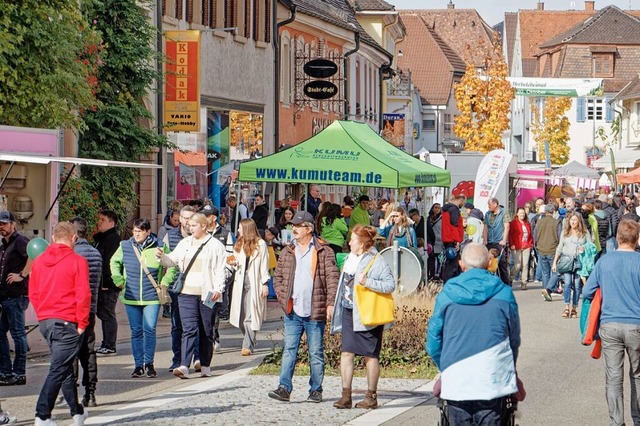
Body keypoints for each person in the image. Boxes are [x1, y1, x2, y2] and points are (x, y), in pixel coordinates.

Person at [426, 242, 520, 425]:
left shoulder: (447, 294)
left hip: (456, 373)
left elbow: (433, 340)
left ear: (461, 265)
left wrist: (444, 365)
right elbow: (513, 340)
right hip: (492, 374)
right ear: (488, 264)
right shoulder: (505, 294)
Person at [268, 211, 339, 403]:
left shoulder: (324, 251)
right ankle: (284, 388)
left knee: (315, 351)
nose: (294, 229)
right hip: (293, 310)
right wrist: (284, 298)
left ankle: (316, 389)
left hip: (315, 309)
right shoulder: (287, 251)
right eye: (293, 226)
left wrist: (330, 303)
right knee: (289, 349)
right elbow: (279, 278)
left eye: (298, 226)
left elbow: (333, 279)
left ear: (309, 228)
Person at [29, 222, 91, 426]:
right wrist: (82, 322)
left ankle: (77, 411)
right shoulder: (77, 261)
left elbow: (34, 293)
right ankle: (42, 414)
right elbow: (83, 294)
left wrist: (42, 315)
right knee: (59, 368)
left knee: (64, 367)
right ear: (74, 238)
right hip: (67, 320)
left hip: (47, 320)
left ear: (53, 238)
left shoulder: (38, 262)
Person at [330, 224, 395, 410]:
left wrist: (368, 282)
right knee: (346, 352)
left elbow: (390, 285)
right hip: (349, 311)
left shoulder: (377, 260)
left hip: (367, 313)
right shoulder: (351, 258)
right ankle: (345, 395)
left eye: (353, 240)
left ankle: (371, 396)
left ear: (362, 244)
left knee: (370, 356)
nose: (349, 242)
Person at [583, 220, 640, 426]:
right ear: (637, 239)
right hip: (636, 324)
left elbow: (587, 291)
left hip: (610, 324)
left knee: (614, 378)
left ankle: (617, 422)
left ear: (617, 237)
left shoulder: (604, 262)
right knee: (638, 376)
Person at [157, 213, 227, 379]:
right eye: (189, 225)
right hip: (186, 293)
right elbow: (171, 261)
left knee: (206, 330)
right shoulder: (185, 243)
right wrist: (161, 257)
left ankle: (205, 365)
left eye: (194, 225)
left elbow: (220, 269)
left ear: (203, 226)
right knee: (188, 329)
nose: (190, 228)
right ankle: (184, 365)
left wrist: (218, 288)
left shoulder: (215, 245)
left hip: (209, 294)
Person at [111, 219, 172, 378]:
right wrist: (118, 279)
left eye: (139, 231)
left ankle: (149, 363)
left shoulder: (160, 246)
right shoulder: (125, 246)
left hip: (151, 296)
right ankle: (138, 365)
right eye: (134, 231)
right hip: (131, 296)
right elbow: (114, 262)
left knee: (149, 329)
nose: (136, 234)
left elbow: (171, 266)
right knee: (136, 331)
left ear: (148, 231)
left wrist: (164, 283)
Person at [69, 217, 102, 408]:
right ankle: (90, 393)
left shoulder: (72, 254)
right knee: (88, 351)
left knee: (71, 352)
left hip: (73, 309)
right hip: (90, 308)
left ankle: (71, 391)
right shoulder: (95, 253)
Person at [162, 206, 198, 372]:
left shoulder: (201, 238)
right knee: (177, 326)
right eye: (184, 217)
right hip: (176, 287)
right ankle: (177, 359)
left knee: (194, 325)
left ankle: (197, 358)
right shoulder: (170, 236)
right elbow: (166, 263)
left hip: (196, 287)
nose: (186, 221)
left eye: (190, 218)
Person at [228, 219, 270, 356]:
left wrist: (264, 284)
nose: (238, 230)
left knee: (250, 316)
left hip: (254, 281)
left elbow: (264, 265)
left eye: (240, 228)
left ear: (246, 229)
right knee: (240, 317)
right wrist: (232, 262)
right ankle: (251, 337)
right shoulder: (239, 243)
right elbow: (233, 259)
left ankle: (247, 345)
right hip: (240, 281)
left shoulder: (261, 244)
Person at [0, 211, 30, 387]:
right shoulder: (4, 243)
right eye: (0, 224)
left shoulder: (20, 241)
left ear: (13, 224)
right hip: (6, 296)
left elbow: (35, 257)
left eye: (4, 223)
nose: (2, 227)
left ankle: (19, 373)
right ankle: (5, 371)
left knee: (18, 334)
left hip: (16, 295)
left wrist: (22, 274)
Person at [203, 204, 235, 349]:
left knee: (212, 310)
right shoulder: (199, 232)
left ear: (214, 218)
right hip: (200, 280)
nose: (203, 218)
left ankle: (213, 336)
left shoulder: (225, 234)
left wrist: (225, 275)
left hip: (215, 281)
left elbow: (230, 257)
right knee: (201, 311)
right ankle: (206, 337)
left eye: (207, 215)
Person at [552, 212, 591, 319]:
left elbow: (591, 246)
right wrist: (555, 262)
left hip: (579, 261)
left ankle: (574, 308)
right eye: (571, 220)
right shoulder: (565, 232)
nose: (573, 222)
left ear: (579, 221)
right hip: (566, 261)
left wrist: (585, 248)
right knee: (568, 283)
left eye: (575, 220)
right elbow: (559, 247)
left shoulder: (584, 232)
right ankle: (566, 307)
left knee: (577, 285)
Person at [94, 210, 121, 357]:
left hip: (108, 284)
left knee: (107, 313)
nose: (99, 222)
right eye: (99, 219)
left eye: (103, 220)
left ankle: (110, 344)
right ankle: (106, 343)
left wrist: (108, 282)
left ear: (112, 223)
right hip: (102, 283)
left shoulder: (112, 239)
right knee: (103, 312)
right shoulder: (103, 238)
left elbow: (110, 263)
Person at [535, 204, 561, 301]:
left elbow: (535, 235)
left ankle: (546, 292)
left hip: (541, 249)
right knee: (556, 271)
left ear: (545, 212)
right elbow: (559, 237)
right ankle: (549, 289)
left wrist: (536, 245)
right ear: (553, 211)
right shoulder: (556, 222)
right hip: (553, 249)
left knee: (545, 272)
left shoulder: (539, 222)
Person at [483, 198, 511, 285]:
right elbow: (485, 227)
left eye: (490, 205)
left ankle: (505, 283)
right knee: (488, 262)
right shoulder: (487, 214)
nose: (489, 206)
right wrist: (484, 239)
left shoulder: (503, 212)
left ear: (495, 204)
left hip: (499, 241)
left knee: (501, 263)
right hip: (490, 241)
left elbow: (507, 227)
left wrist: (504, 240)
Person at [441, 195, 466, 283]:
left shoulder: (445, 210)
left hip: (447, 239)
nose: (463, 205)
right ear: (460, 201)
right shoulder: (454, 210)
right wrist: (457, 241)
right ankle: (450, 283)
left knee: (449, 263)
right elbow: (454, 226)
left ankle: (448, 282)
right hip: (453, 240)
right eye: (463, 203)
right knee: (452, 265)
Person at [509, 207, 533, 290]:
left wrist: (530, 245)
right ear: (517, 214)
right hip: (516, 246)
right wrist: (511, 244)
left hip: (526, 246)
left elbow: (530, 235)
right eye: (520, 213)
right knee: (517, 265)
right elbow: (510, 234)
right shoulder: (513, 223)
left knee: (525, 265)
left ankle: (524, 283)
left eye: (523, 213)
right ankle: (510, 278)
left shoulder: (527, 223)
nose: (522, 214)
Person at [427, 203, 443, 280]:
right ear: (432, 209)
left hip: (440, 241)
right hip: (431, 242)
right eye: (435, 207)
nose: (437, 209)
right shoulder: (428, 219)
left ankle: (439, 275)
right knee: (431, 260)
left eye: (438, 208)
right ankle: (431, 275)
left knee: (440, 260)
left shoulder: (442, 219)